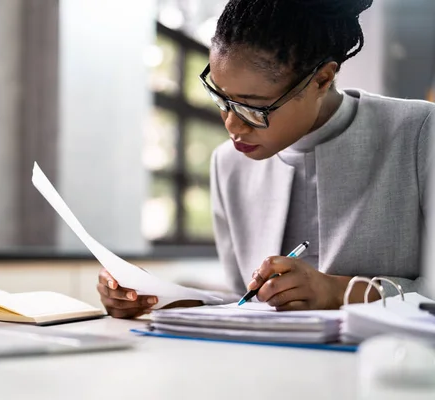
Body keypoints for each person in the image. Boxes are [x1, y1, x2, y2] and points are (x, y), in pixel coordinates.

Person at [98, 0, 434, 317]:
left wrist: (337, 292)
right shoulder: (229, 164)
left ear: (322, 80)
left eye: (252, 107)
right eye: (221, 98)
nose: (231, 124)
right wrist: (155, 296)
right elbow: (244, 301)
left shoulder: (418, 133)